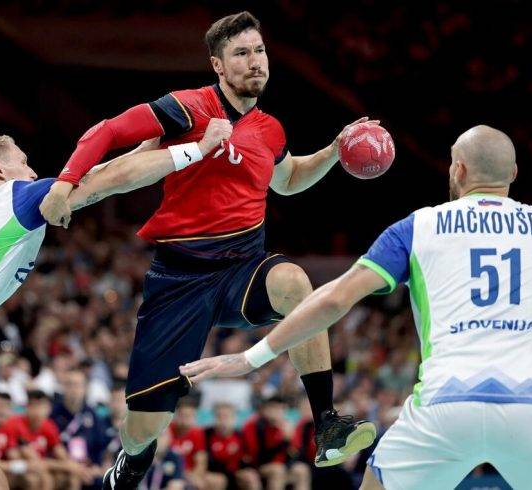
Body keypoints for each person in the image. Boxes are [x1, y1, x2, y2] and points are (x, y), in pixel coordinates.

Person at [38, 11, 377, 487]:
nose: (254, 61)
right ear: (218, 65)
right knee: (144, 429)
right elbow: (110, 131)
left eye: (259, 51)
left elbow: (290, 178)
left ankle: (327, 422)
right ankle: (132, 461)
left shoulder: (269, 129)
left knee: (294, 283)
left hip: (240, 267)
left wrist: (333, 152)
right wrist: (68, 181)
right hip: (179, 279)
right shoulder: (189, 107)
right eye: (241, 53)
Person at [181, 125, 532, 489]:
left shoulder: (419, 227)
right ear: (514, 173)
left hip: (446, 406)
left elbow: (333, 298)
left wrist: (251, 356)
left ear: (457, 169)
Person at [0, 127, 229, 489]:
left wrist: (144, 151)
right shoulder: (15, 196)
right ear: (0, 170)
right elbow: (108, 182)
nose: (33, 172)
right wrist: (195, 151)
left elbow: (94, 176)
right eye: (24, 161)